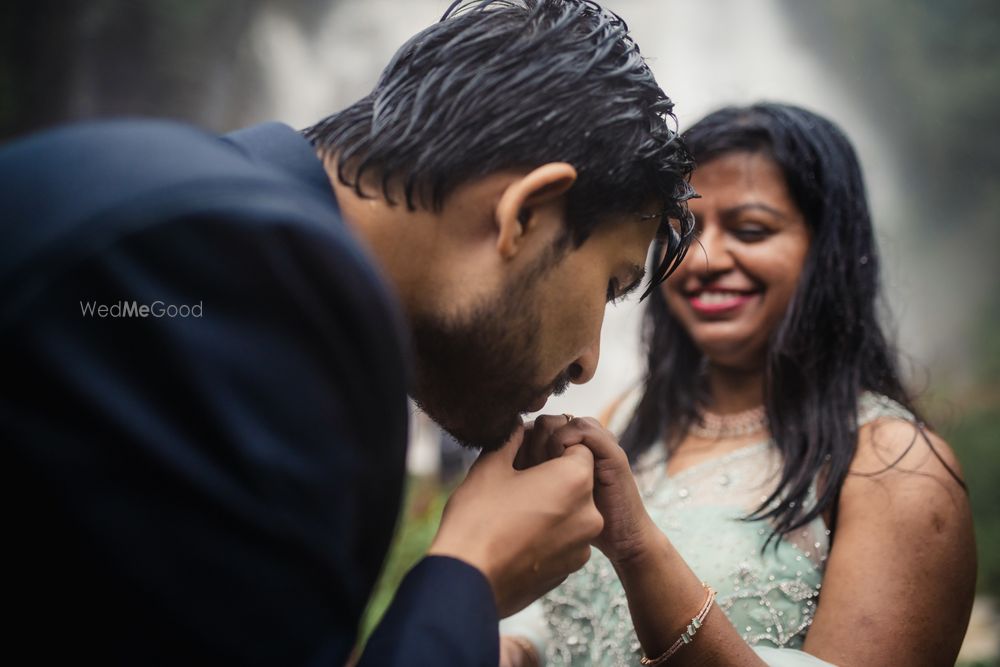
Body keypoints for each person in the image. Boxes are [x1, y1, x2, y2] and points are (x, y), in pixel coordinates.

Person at [0, 1, 696, 665]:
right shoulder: (254, 283)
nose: (587, 361)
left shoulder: (200, 206)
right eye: (610, 285)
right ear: (524, 215)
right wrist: (470, 574)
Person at [500, 103, 976, 666]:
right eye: (684, 232)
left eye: (751, 230)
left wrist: (637, 548)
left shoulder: (895, 464)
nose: (705, 259)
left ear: (828, 252)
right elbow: (559, 622)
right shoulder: (628, 416)